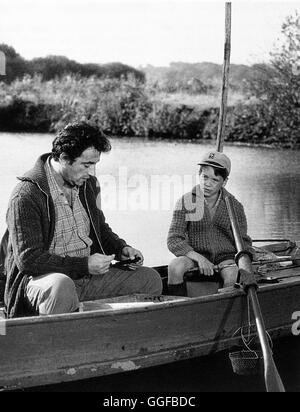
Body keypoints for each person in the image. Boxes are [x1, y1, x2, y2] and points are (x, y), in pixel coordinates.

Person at [3, 122, 162, 318]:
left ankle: (117, 339)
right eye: (86, 165)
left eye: (94, 165)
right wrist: (84, 265)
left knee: (150, 279)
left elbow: (99, 228)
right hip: (41, 282)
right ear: (63, 158)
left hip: (87, 277)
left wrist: (120, 249)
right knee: (61, 286)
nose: (91, 172)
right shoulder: (27, 194)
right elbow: (28, 260)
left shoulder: (88, 185)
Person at [167, 149, 252, 296]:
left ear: (224, 182)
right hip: (194, 255)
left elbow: (243, 242)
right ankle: (178, 309)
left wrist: (242, 261)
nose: (207, 184)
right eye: (205, 177)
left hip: (226, 258)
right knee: (175, 267)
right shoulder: (186, 201)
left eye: (215, 180)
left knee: (232, 274)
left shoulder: (235, 206)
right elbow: (173, 240)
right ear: (199, 174)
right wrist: (199, 258)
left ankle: (221, 312)